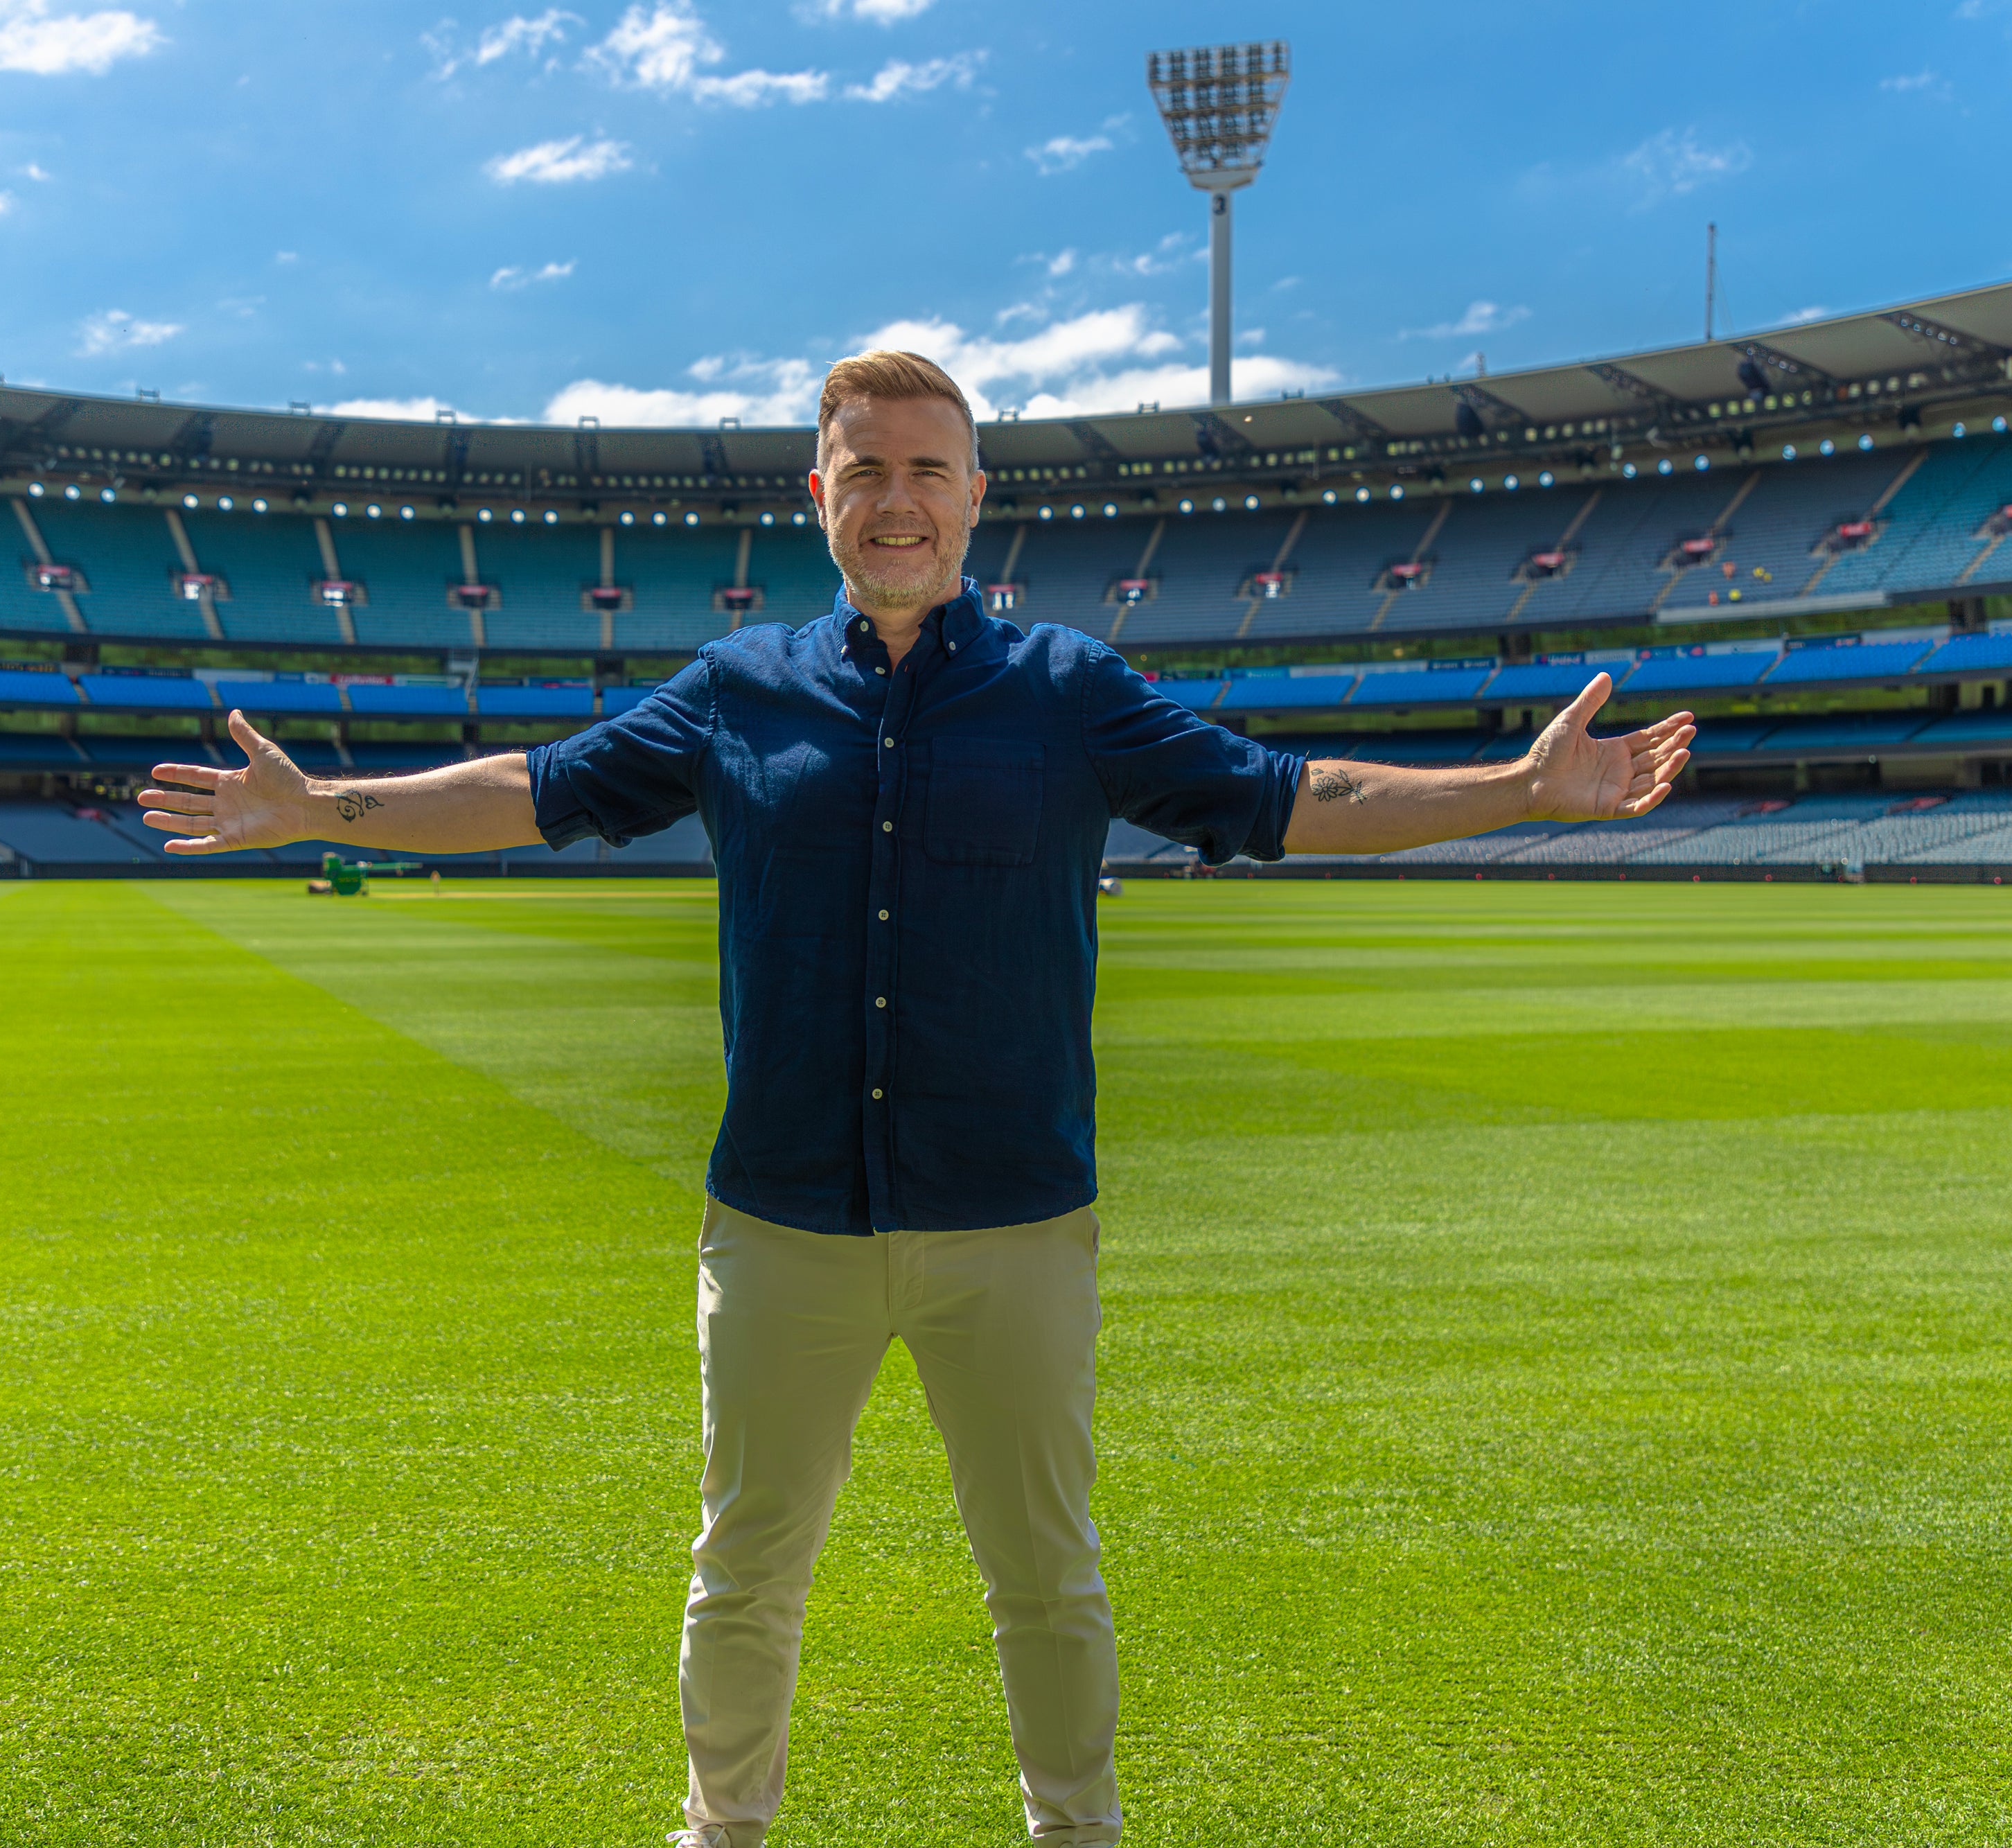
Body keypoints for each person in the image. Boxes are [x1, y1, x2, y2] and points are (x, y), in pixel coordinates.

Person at [139, 351, 1695, 1846]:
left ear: (973, 498)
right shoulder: (734, 690)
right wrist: (320, 806)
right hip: (784, 1216)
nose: (897, 499)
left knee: (1046, 1575)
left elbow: (1293, 795)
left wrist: (1510, 787)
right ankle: (720, 1828)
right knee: (743, 1568)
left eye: (927, 471)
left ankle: (1073, 1831)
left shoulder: (1067, 688)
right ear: (817, 493)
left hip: (1012, 1217)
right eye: (866, 469)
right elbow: (537, 790)